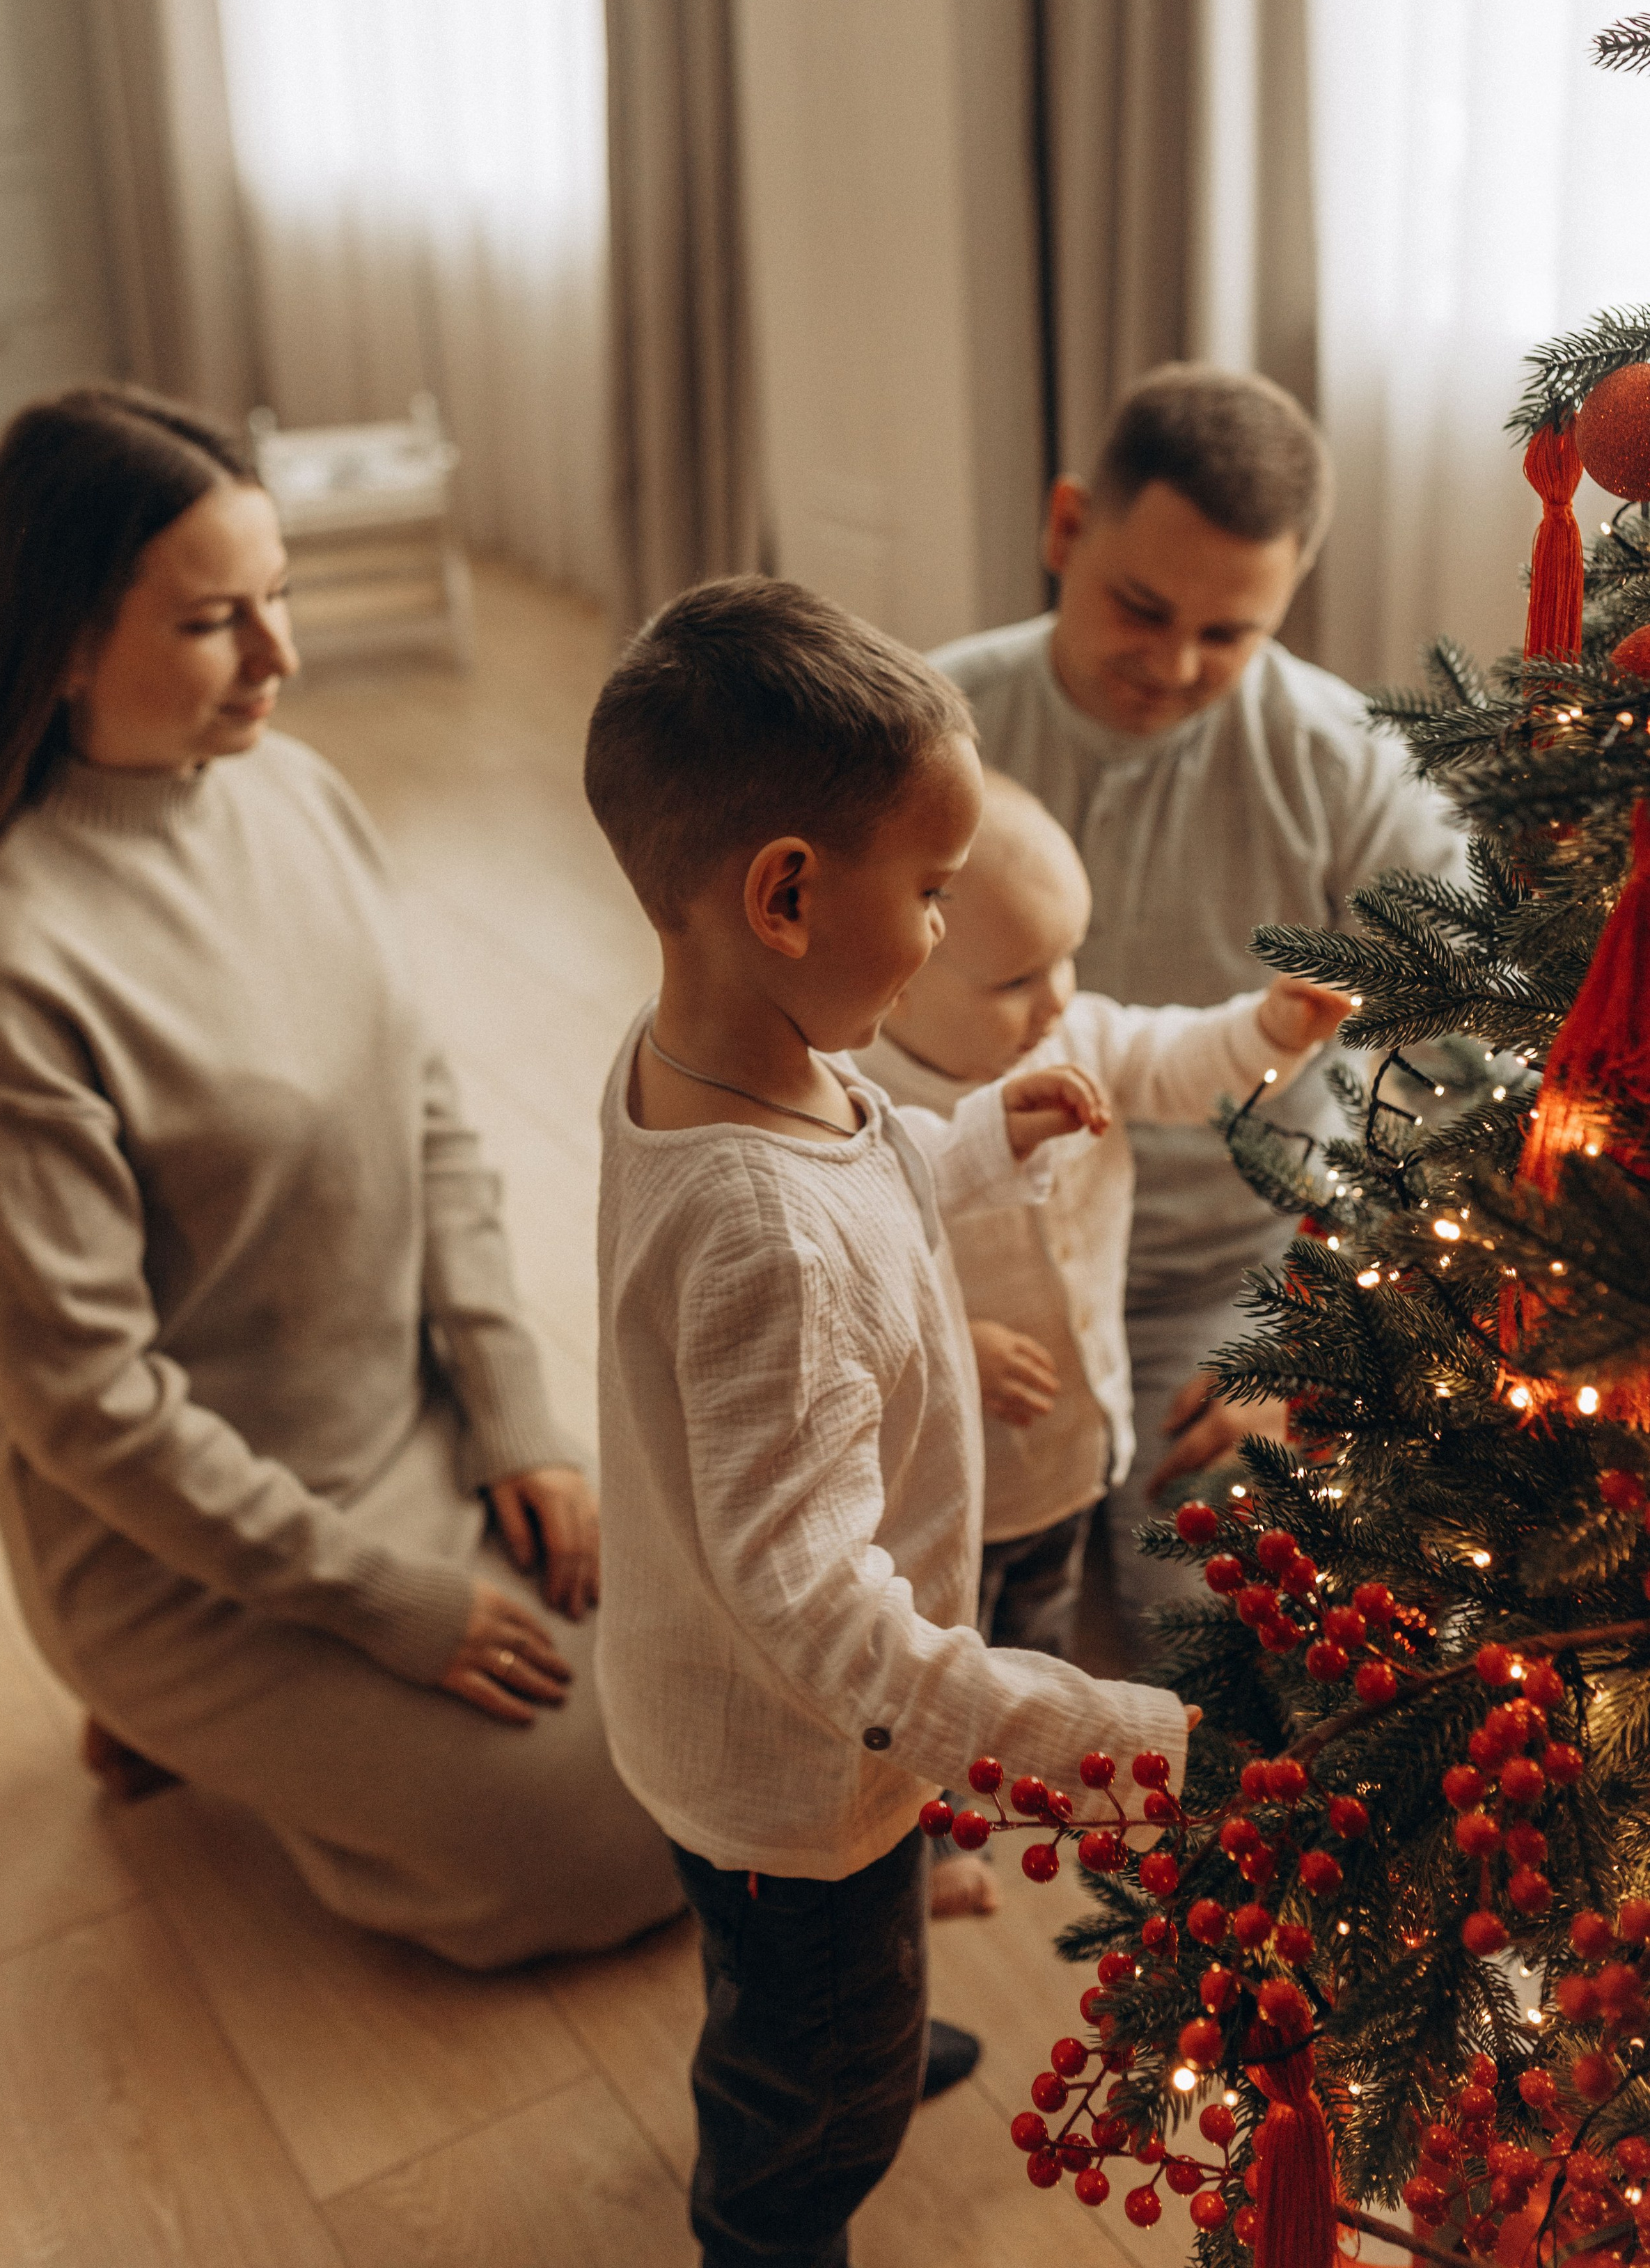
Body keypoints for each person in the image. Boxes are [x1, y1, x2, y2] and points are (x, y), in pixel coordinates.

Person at [0, 384, 678, 1972]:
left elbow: (433, 1118)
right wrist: (386, 1602)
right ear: (64, 642)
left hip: (421, 1431)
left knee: (731, 1696)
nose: (279, 660)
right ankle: (188, 1723)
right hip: (189, 1549)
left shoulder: (294, 795)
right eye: (215, 622)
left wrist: (513, 1412)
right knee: (606, 1838)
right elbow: (93, 1412)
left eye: (281, 599)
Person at [581, 576, 1195, 2268]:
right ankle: (778, 2201)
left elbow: (862, 1181)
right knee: (811, 2070)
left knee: (808, 1970)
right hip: (794, 1768)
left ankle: (854, 2029)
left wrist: (974, 1140)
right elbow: (815, 1609)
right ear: (782, 895)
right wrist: (1086, 1739)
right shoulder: (758, 1227)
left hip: (743, 1724)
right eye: (928, 893)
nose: (941, 931)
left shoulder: (724, 1057)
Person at [932, 364, 1466, 1653]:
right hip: (958, 1255)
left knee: (1223, 1627)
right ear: (1066, 531)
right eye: (1141, 606)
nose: (1172, 666)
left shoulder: (1346, 761)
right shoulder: (925, 731)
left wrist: (1336, 1339)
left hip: (1225, 1268)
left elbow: (1471, 1064)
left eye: (1229, 636)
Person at [854, 771, 1346, 1913]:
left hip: (1068, 1448)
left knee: (1032, 1626)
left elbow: (1181, 1059)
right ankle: (914, 1846)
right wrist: (951, 1340)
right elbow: (849, 1267)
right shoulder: (859, 1101)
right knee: (931, 1664)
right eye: (1018, 977)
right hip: (932, 1483)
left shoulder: (1072, 1034)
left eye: (1069, 959)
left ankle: (977, 1809)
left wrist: (1271, 1034)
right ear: (900, 973)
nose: (1059, 997)